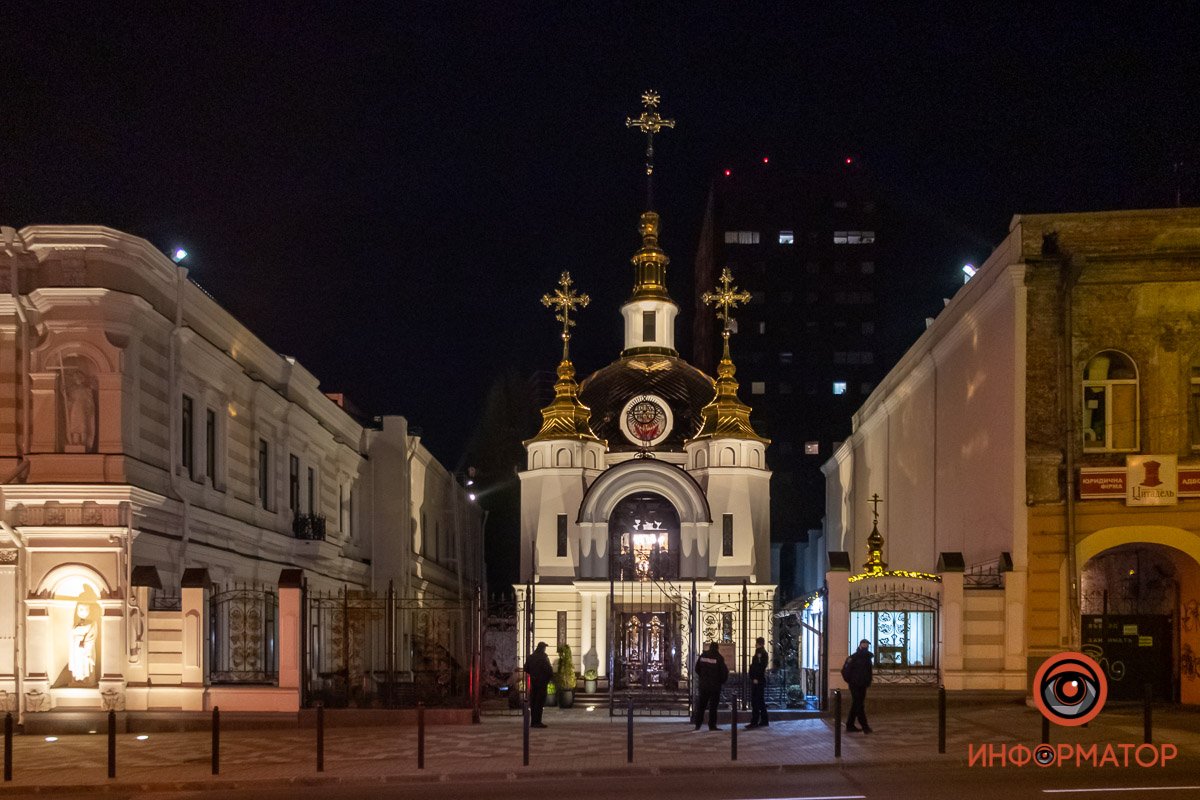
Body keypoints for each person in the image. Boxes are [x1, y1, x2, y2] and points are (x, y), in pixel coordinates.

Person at [692, 642, 729, 731]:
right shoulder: (719, 658)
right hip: (714, 687)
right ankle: (712, 725)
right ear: (717, 648)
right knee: (713, 707)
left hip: (704, 686)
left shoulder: (703, 656)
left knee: (701, 706)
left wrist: (703, 677)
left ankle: (698, 725)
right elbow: (724, 672)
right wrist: (720, 681)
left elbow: (697, 668)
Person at [842, 638, 874, 733]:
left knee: (856, 704)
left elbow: (868, 672)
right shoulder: (853, 658)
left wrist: (867, 681)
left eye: (867, 644)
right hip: (855, 685)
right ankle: (865, 727)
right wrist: (851, 681)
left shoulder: (868, 658)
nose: (865, 646)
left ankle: (850, 725)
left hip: (863, 684)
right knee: (859, 705)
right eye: (864, 644)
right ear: (860, 645)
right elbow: (845, 671)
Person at [523, 641, 554, 728]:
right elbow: (549, 670)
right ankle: (538, 722)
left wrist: (533, 674)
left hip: (534, 682)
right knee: (539, 703)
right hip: (542, 683)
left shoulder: (530, 657)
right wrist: (548, 677)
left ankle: (533, 722)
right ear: (542, 648)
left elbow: (526, 668)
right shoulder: (544, 657)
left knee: (533, 702)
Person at [746, 636, 769, 729]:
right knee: (759, 701)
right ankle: (763, 720)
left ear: (760, 643)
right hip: (758, 680)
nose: (755, 644)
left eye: (757, 643)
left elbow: (759, 667)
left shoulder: (761, 653)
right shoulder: (760, 652)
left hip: (758, 681)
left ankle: (755, 721)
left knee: (756, 701)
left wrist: (755, 678)